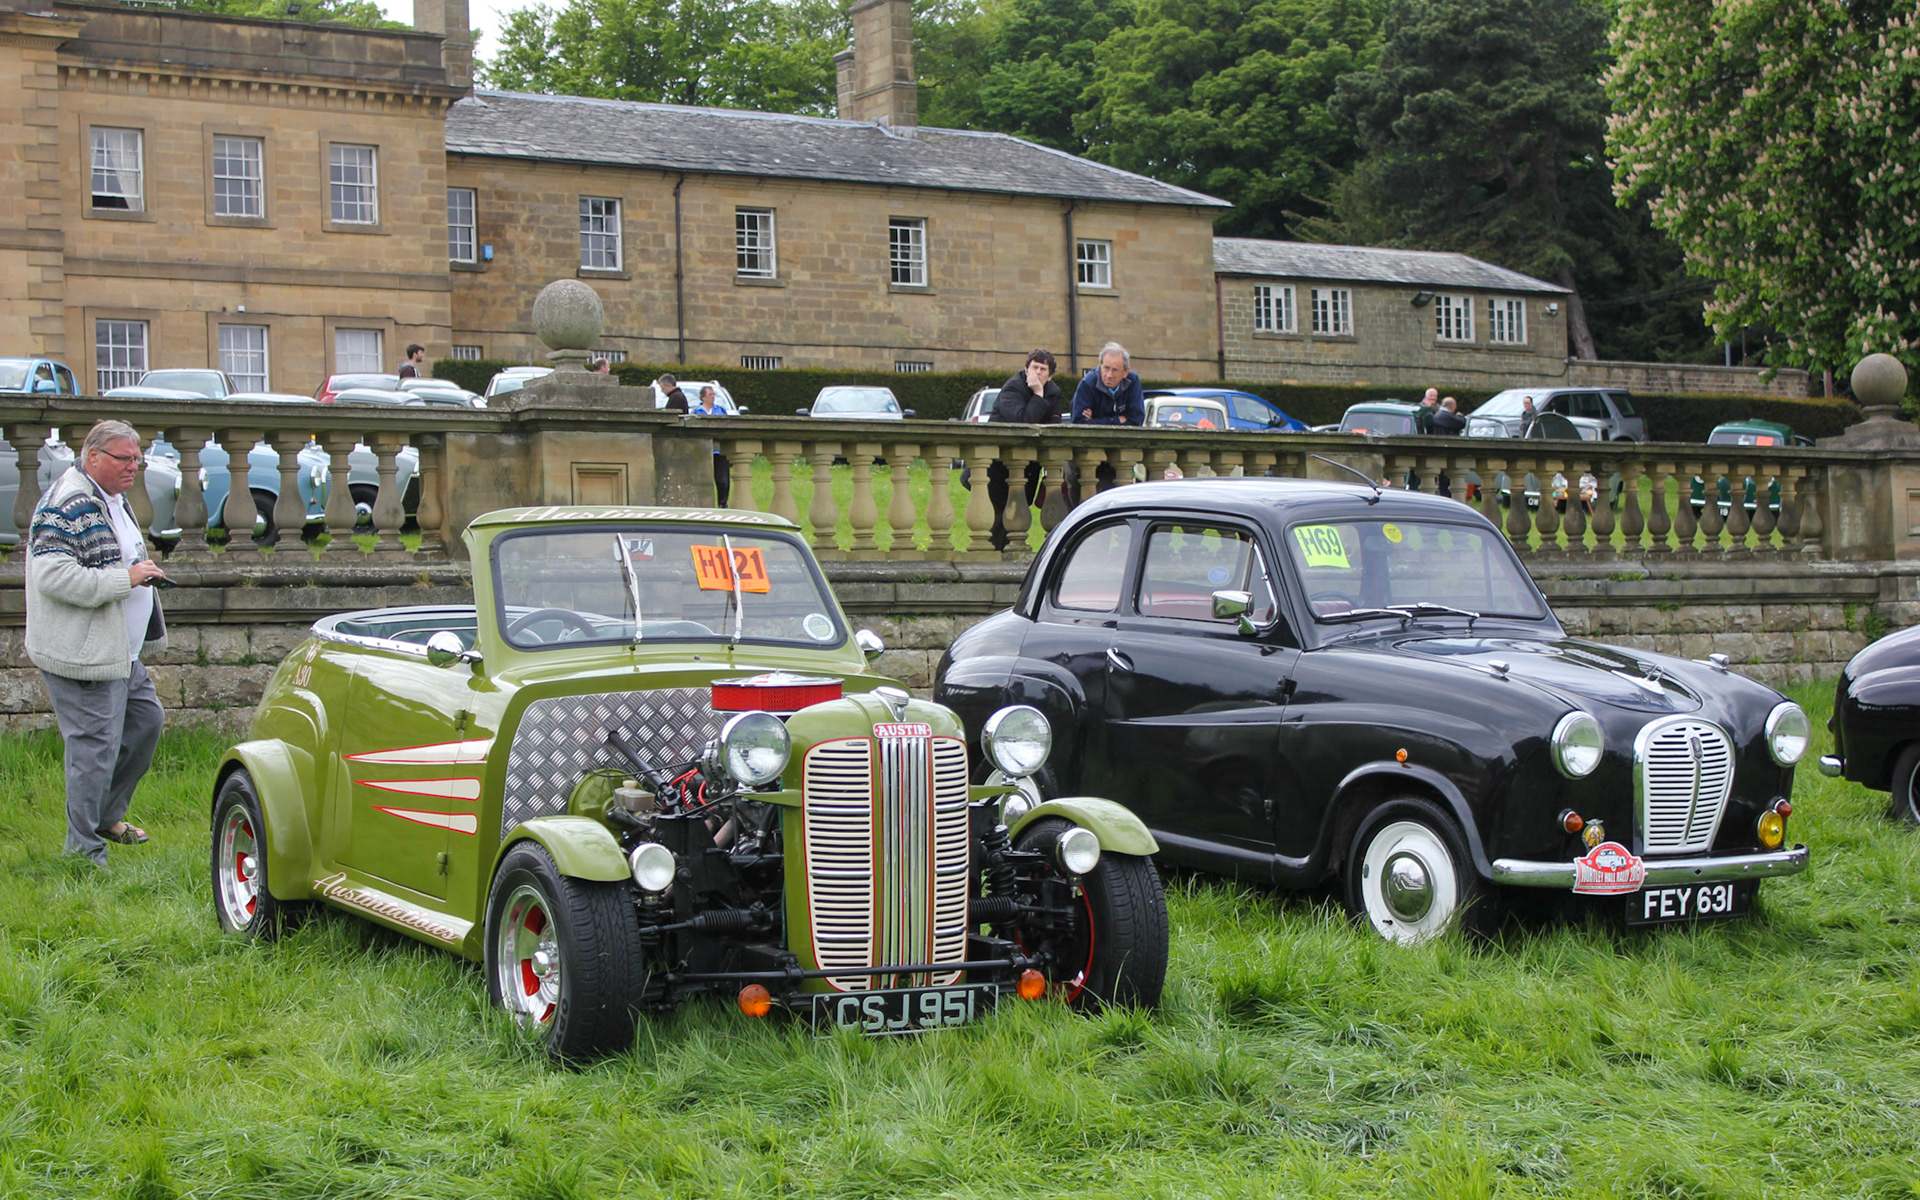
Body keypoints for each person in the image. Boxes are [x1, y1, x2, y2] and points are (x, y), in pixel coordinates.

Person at [26, 420, 168, 866]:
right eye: (123, 458)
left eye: (137, 457)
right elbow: (52, 576)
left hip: (119, 653)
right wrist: (126, 579)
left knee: (145, 722)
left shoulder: (112, 498)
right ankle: (83, 852)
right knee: (93, 749)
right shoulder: (66, 503)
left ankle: (106, 816)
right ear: (92, 457)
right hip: (83, 653)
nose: (134, 466)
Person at [986, 349, 1062, 550]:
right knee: (998, 517)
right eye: (1034, 367)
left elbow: (1054, 424)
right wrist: (1038, 394)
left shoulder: (1054, 392)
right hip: (998, 465)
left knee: (1020, 511)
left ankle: (1011, 557)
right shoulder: (1012, 389)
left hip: (1029, 465)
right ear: (1026, 369)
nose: (1037, 373)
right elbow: (1023, 422)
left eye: (1042, 369)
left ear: (1050, 375)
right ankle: (996, 559)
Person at [1066, 342, 1143, 502]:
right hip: (1084, 456)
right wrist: (1118, 420)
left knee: (1110, 503)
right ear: (1100, 365)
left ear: (1125, 372)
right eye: (1105, 368)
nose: (1109, 374)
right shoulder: (1088, 383)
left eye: (1115, 370)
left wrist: (1096, 421)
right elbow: (1079, 424)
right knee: (1079, 506)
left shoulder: (1133, 382)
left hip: (1115, 455)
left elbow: (1136, 420)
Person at [691, 385, 731, 505]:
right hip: (703, 451)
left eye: (714, 395)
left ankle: (723, 504)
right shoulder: (696, 412)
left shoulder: (720, 410)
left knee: (723, 481)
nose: (713, 397)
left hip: (719, 451)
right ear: (703, 397)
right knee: (704, 481)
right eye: (710, 395)